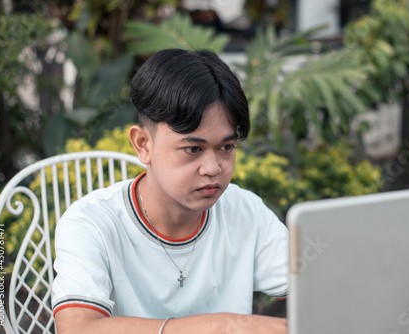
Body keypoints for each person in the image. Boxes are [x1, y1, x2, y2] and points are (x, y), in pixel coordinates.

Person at [52, 48, 288, 333]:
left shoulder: (245, 211)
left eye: (226, 147)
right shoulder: (92, 222)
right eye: (193, 149)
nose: (213, 167)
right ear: (143, 145)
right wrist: (222, 326)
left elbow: (319, 289)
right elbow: (77, 328)